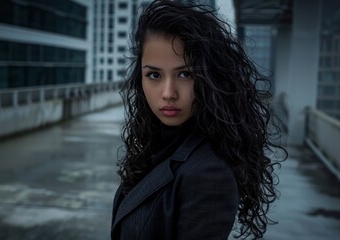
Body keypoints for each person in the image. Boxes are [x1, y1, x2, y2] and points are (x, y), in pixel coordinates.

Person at [111, 0, 286, 239]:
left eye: (185, 74)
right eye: (154, 75)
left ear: (210, 78)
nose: (168, 93)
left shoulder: (209, 173)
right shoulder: (156, 147)